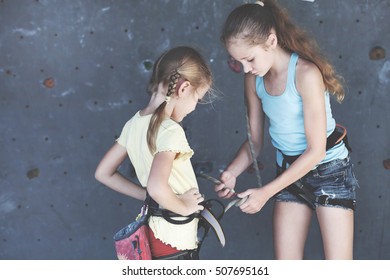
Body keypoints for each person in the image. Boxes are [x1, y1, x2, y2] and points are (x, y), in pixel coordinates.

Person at [216, 0, 359, 260]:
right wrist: (231, 173)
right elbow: (254, 142)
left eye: (249, 59)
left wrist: (265, 192)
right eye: (239, 62)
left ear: (271, 41)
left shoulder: (305, 74)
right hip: (290, 172)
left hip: (329, 169)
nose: (246, 69)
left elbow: (316, 152)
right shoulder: (253, 79)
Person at [95, 46, 214, 260]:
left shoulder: (133, 124)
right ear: (184, 88)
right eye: (198, 98)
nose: (194, 107)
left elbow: (103, 173)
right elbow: (157, 186)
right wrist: (184, 206)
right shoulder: (170, 129)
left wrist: (149, 197)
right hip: (174, 239)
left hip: (151, 236)